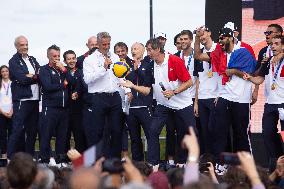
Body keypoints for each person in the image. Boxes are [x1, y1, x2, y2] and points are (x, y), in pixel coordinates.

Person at [120, 38, 195, 166]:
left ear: (158, 49)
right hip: (163, 105)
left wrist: (174, 92)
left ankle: (185, 162)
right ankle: (153, 164)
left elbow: (189, 82)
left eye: (150, 50)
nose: (148, 53)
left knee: (189, 133)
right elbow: (147, 90)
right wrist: (132, 86)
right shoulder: (151, 66)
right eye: (147, 50)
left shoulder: (174, 60)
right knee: (153, 131)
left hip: (183, 105)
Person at [194, 27, 257, 170]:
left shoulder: (243, 51)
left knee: (241, 133)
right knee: (217, 129)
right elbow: (198, 55)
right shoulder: (219, 53)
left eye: (223, 38)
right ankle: (221, 163)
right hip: (225, 95)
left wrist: (235, 71)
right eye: (220, 38)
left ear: (231, 38)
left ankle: (246, 166)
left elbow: (253, 73)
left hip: (241, 98)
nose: (220, 41)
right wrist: (197, 38)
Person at [83, 32, 126, 158]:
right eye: (104, 44)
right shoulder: (89, 59)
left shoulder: (116, 57)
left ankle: (115, 161)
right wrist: (103, 68)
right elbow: (87, 80)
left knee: (117, 130)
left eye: (108, 44)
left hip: (115, 97)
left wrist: (127, 91)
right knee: (97, 132)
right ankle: (98, 160)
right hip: (98, 97)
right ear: (98, 44)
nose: (106, 47)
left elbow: (120, 77)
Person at [243, 36, 284, 168]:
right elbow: (260, 79)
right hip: (271, 103)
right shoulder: (268, 61)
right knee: (267, 134)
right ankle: (274, 165)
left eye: (277, 44)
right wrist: (250, 78)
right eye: (271, 44)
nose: (273, 46)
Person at [8, 35, 40, 159]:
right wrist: (34, 77)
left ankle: (29, 158)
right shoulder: (13, 61)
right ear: (16, 46)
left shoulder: (32, 59)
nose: (25, 47)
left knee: (32, 131)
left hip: (35, 99)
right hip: (22, 100)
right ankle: (10, 158)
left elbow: (39, 74)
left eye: (26, 44)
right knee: (17, 130)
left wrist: (30, 75)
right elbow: (21, 79)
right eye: (22, 45)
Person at [39, 45, 70, 165]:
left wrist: (64, 71)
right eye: (54, 56)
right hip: (50, 108)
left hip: (64, 109)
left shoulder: (63, 70)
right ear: (48, 56)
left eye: (58, 56)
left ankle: (60, 161)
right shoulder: (44, 70)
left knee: (62, 136)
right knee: (46, 135)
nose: (56, 58)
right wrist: (63, 85)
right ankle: (45, 160)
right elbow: (47, 87)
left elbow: (72, 81)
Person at [123, 42, 153, 161]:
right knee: (135, 138)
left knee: (150, 136)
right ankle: (137, 162)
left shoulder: (149, 63)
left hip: (145, 106)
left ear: (143, 50)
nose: (133, 51)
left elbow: (147, 81)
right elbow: (125, 81)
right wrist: (127, 91)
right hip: (132, 107)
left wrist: (138, 69)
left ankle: (152, 161)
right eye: (132, 49)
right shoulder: (127, 65)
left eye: (135, 48)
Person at [193, 27, 218, 154]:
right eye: (199, 35)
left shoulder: (218, 49)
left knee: (215, 129)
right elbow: (198, 79)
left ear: (209, 32)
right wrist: (196, 102)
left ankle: (220, 160)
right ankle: (208, 159)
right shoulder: (199, 53)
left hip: (216, 96)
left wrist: (220, 95)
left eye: (203, 34)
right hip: (202, 97)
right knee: (204, 131)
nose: (202, 36)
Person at [63, 50, 87, 153]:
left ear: (76, 59)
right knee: (64, 136)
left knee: (79, 136)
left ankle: (80, 161)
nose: (71, 61)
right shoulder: (62, 72)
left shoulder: (82, 71)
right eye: (69, 59)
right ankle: (65, 161)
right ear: (65, 61)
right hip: (65, 109)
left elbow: (82, 86)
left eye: (73, 58)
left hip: (79, 109)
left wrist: (77, 92)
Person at [0, 65, 12, 158]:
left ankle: (11, 154)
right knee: (2, 135)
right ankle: (4, 154)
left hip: (12, 113)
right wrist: (2, 112)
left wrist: (12, 110)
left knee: (12, 134)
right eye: (3, 71)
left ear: (9, 72)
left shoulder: (13, 83)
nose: (5, 73)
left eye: (6, 71)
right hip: (1, 113)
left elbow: (16, 99)